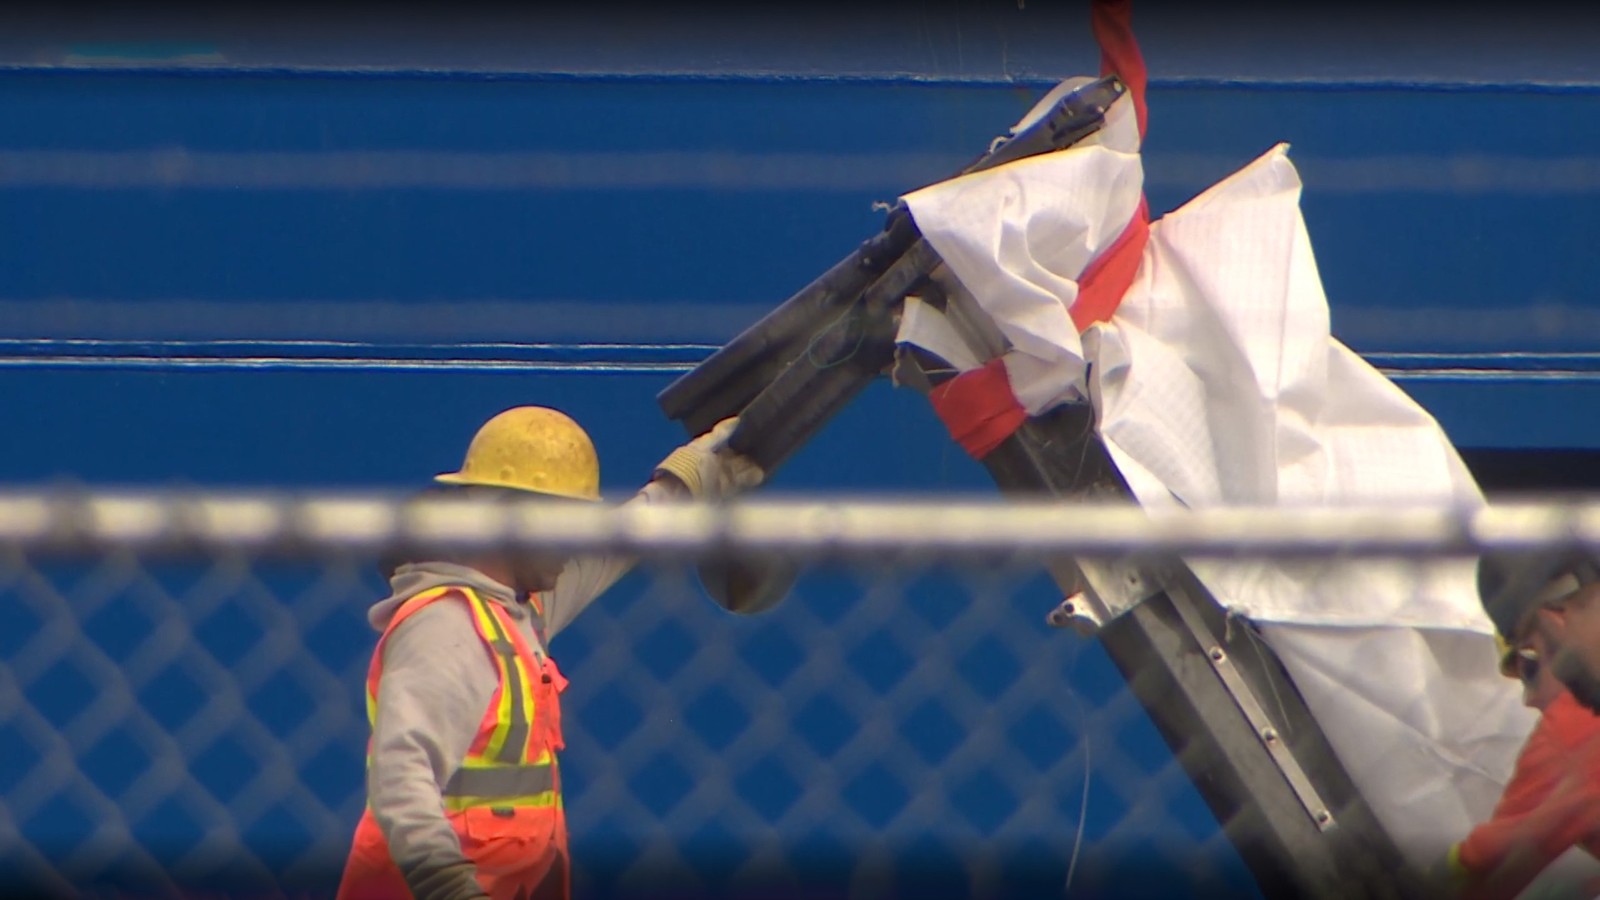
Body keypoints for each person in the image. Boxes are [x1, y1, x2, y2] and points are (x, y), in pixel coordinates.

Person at [336, 406, 761, 900]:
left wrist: (699, 469)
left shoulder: (516, 609)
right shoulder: (448, 627)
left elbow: (622, 542)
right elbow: (401, 776)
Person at [1445, 551, 1600, 900]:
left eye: (1530, 663)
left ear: (1557, 617)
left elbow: (1484, 869)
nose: (1528, 699)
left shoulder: (1573, 726)